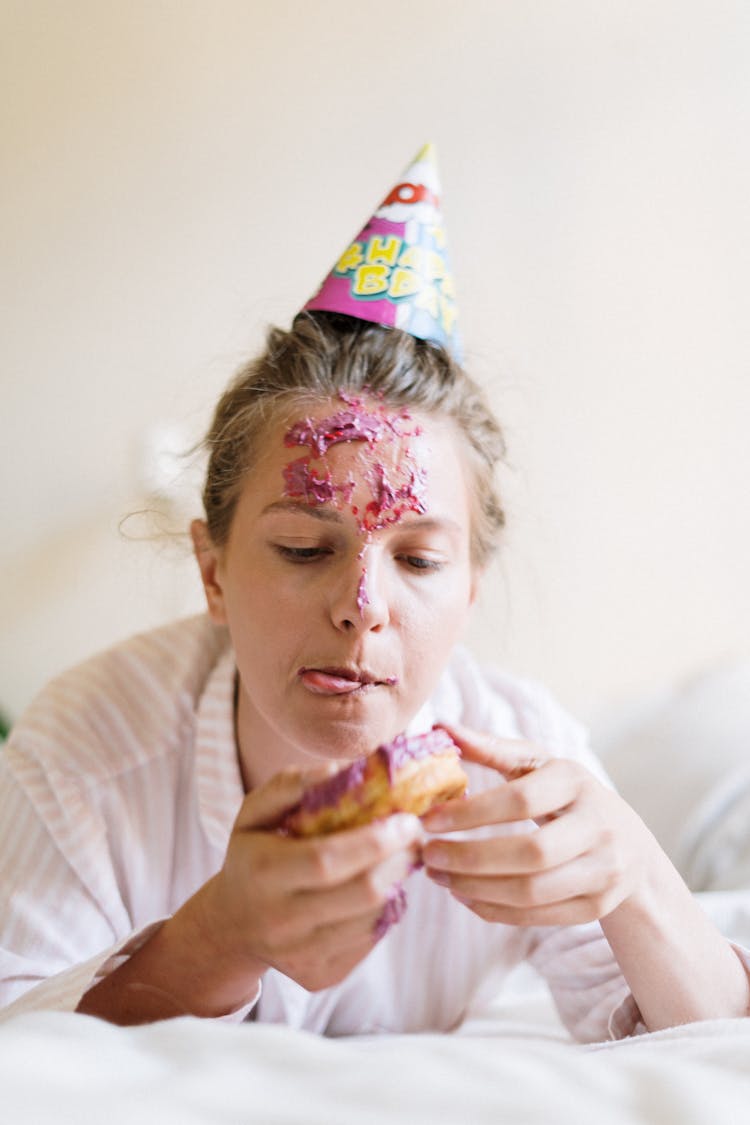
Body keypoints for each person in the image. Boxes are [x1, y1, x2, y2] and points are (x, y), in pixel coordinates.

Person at [1, 147, 749, 1037]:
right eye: (304, 546)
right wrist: (218, 937)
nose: (363, 605)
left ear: (471, 592)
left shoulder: (527, 760)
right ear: (212, 572)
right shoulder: (86, 752)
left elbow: (703, 1046)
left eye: (421, 561)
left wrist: (641, 880)